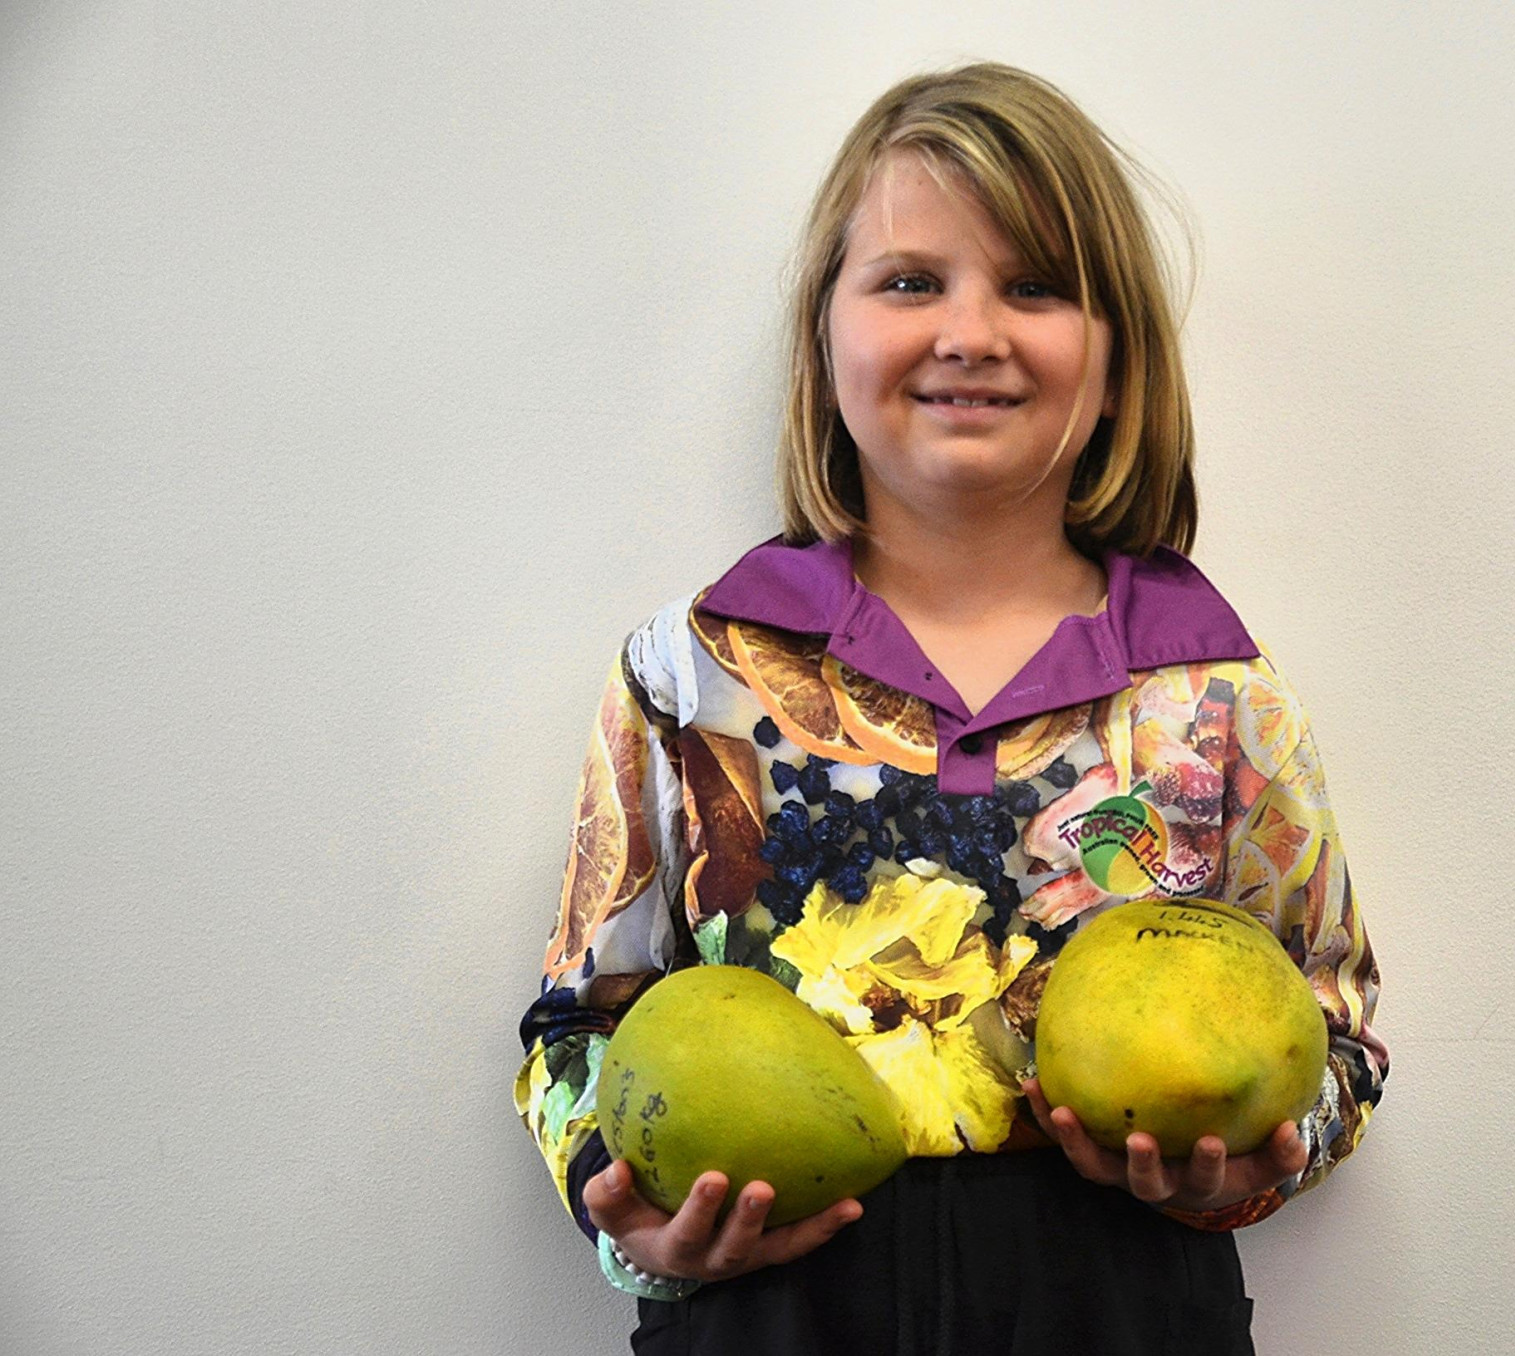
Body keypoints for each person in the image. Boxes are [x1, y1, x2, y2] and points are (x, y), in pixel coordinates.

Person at [513, 61, 1389, 1356]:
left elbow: (1339, 1033)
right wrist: (627, 1214)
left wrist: (1252, 1162)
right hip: (775, 1312)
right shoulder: (694, 676)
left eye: (1034, 285)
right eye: (911, 281)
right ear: (826, 332)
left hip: (1124, 1310)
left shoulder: (1215, 695)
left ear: (1115, 354)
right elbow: (577, 1024)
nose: (970, 331)